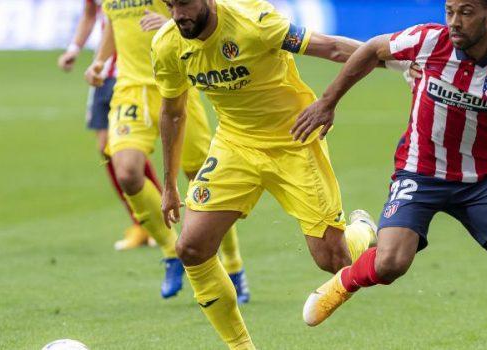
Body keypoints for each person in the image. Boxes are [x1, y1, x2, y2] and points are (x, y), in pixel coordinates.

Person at [293, 1, 487, 349]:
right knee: (390, 263)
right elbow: (371, 49)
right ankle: (344, 282)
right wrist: (328, 101)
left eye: (466, 13)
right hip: (420, 171)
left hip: (480, 181)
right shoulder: (429, 41)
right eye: (449, 11)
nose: (454, 23)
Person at [152, 0, 417, 347]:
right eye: (170, 5)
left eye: (184, 4)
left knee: (334, 261)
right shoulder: (167, 44)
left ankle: (362, 230)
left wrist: (403, 63)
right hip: (235, 145)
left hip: (295, 140)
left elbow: (333, 47)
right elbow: (173, 112)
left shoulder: (255, 23)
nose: (178, 15)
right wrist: (169, 184)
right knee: (190, 247)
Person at [84, 1, 249, 301]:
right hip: (131, 89)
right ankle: (171, 252)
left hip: (176, 87)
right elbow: (114, 25)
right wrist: (99, 61)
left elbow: (207, 17)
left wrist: (169, 24)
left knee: (205, 184)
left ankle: (234, 267)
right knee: (127, 174)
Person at [58, 0, 156, 250]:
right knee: (106, 148)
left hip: (136, 70)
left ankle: (157, 221)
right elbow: (90, 14)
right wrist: (74, 48)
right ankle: (141, 223)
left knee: (126, 150)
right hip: (104, 71)